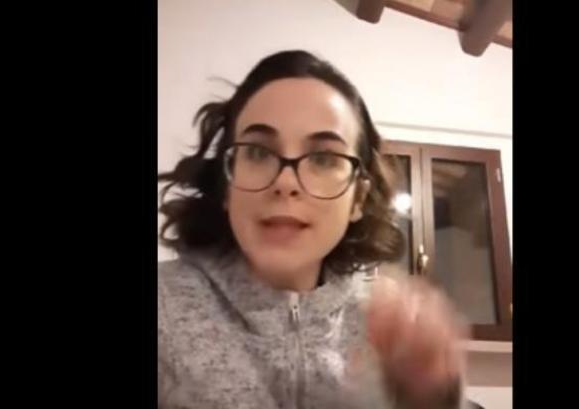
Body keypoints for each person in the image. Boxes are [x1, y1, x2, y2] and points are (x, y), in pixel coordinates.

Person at [158, 50, 467, 409]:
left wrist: (432, 395)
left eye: (323, 158)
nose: (286, 182)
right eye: (257, 152)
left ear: (357, 198)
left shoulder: (389, 330)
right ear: (227, 183)